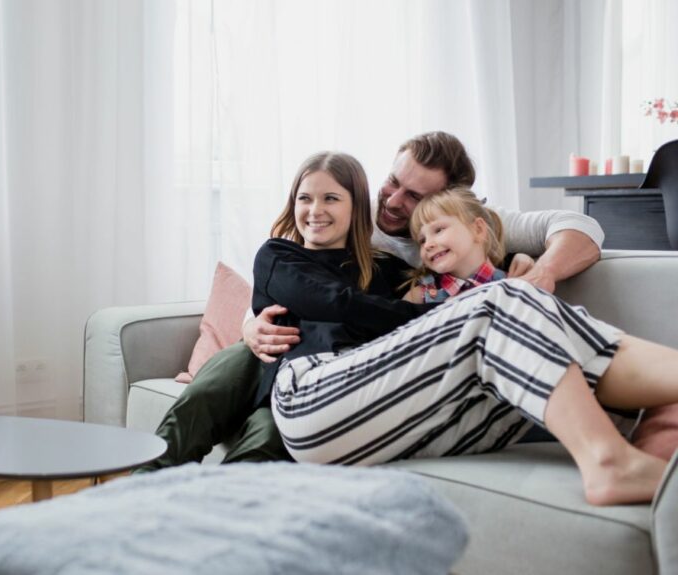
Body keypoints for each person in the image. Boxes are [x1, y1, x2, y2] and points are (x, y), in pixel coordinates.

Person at [136, 131, 604, 472]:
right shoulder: (340, 223)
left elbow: (580, 227)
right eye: (392, 182)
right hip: (274, 348)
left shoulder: (446, 235)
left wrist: (533, 273)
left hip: (328, 368)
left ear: (448, 205)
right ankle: (142, 490)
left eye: (414, 196)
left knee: (266, 437)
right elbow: (286, 286)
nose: (394, 200)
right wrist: (249, 323)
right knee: (213, 391)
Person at [260, 152, 671, 505]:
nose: (315, 210)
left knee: (527, 321)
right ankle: (607, 462)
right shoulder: (279, 255)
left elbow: (465, 267)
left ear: (355, 207)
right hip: (312, 396)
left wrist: (525, 269)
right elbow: (335, 302)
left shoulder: (388, 267)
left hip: (388, 406)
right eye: (305, 198)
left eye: (331, 198)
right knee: (499, 301)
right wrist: (249, 327)